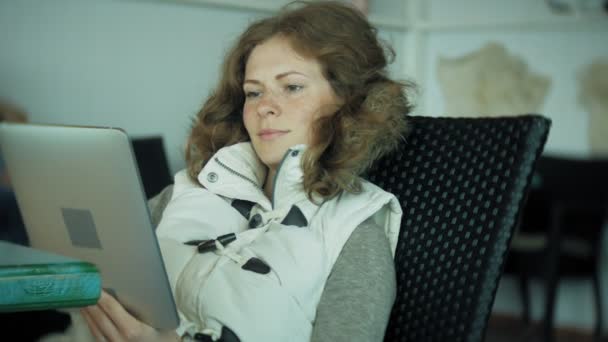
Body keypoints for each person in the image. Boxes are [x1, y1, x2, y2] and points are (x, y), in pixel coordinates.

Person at [81, 1, 413, 341]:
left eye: (292, 87)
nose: (264, 107)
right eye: (253, 92)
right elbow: (86, 267)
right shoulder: (188, 189)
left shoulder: (354, 237)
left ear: (349, 101)